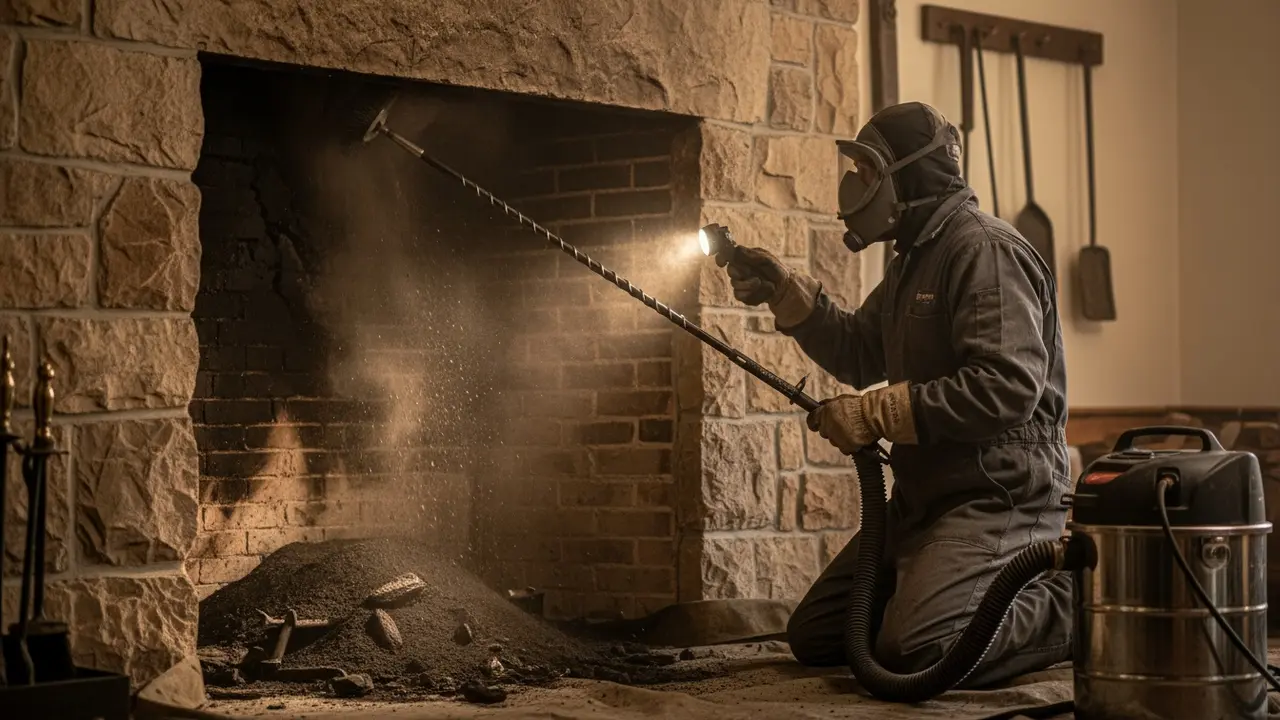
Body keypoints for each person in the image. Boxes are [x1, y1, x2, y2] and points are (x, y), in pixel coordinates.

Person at [720, 101, 1073, 688]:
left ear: (910, 175)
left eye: (865, 170)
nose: (853, 184)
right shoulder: (917, 258)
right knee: (818, 636)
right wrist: (786, 293)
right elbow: (861, 350)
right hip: (925, 501)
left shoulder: (982, 251)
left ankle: (1077, 603)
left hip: (997, 495)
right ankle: (941, 594)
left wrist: (876, 413)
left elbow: (1006, 387)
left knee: (922, 649)